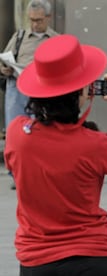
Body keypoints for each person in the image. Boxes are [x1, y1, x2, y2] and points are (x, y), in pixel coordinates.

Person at [3, 34, 107, 276]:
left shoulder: (17, 133)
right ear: (82, 94)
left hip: (36, 260)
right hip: (92, 259)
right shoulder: (96, 144)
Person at [0, 0, 58, 189]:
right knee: (15, 131)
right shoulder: (20, 36)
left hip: (42, 90)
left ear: (48, 18)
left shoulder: (55, 40)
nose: (34, 24)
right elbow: (5, 59)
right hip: (17, 87)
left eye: (39, 20)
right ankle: (17, 174)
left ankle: (37, 173)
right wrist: (5, 68)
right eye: (31, 20)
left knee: (40, 132)